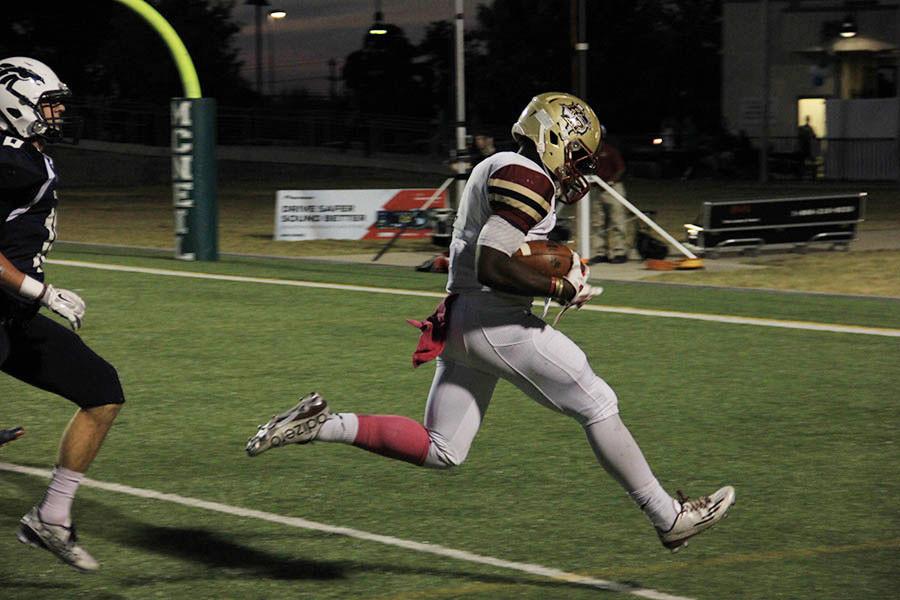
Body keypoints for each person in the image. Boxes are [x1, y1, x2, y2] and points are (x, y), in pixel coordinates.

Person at [246, 92, 735, 552]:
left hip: (461, 318)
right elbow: (494, 264)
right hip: (493, 320)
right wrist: (559, 285)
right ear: (553, 137)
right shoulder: (527, 176)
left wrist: (552, 265)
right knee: (597, 402)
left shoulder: (501, 167)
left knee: (443, 449)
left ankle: (321, 426)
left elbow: (502, 252)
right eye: (576, 154)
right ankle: (668, 518)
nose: (576, 168)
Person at [0, 57, 124, 572]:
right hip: (12, 303)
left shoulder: (27, 155)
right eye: (47, 103)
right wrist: (41, 291)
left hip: (12, 313)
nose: (56, 113)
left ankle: (51, 516)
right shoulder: (8, 162)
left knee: (101, 391)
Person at [587, 142, 629, 264]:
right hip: (597, 189)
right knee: (597, 222)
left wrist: (611, 181)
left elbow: (621, 169)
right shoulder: (590, 152)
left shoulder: (610, 150)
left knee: (617, 220)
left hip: (613, 188)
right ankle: (600, 252)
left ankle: (619, 252)